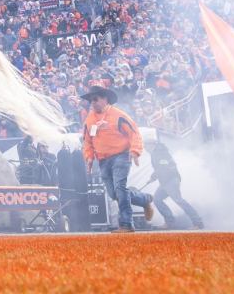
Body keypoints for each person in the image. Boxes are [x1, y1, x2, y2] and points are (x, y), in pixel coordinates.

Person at [81, 85, 154, 233]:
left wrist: (135, 151)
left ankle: (126, 224)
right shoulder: (89, 120)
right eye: (90, 100)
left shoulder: (118, 115)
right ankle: (144, 199)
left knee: (120, 188)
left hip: (121, 156)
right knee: (114, 194)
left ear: (105, 99)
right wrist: (89, 158)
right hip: (103, 160)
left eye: (95, 99)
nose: (93, 103)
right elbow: (87, 141)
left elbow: (134, 133)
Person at [149, 141, 204, 229]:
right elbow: (160, 167)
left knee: (179, 200)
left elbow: (163, 166)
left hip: (171, 180)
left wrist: (154, 176)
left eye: (146, 145)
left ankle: (198, 222)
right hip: (165, 181)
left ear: (152, 144)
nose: (145, 148)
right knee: (157, 199)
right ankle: (169, 221)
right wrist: (154, 176)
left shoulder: (160, 151)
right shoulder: (155, 153)